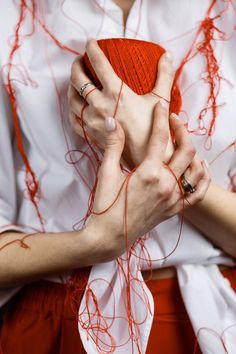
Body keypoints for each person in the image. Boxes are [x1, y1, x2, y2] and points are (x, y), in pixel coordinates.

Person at [0, 1, 235, 353]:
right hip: (52, 323)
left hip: (208, 323)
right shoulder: (10, 15)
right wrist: (93, 243)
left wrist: (147, 145)